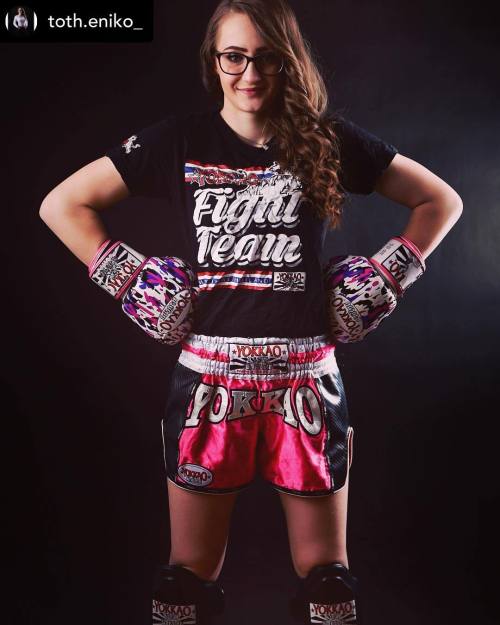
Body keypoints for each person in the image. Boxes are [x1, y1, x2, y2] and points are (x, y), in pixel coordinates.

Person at [38, 1, 463, 623]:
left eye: (267, 58)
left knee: (329, 586)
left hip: (305, 383)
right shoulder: (179, 139)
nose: (250, 73)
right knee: (184, 581)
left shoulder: (326, 139)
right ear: (215, 62)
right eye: (234, 56)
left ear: (288, 62)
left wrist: (384, 277)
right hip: (210, 381)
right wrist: (131, 280)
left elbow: (439, 201)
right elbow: (62, 204)